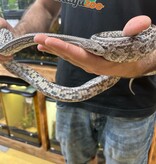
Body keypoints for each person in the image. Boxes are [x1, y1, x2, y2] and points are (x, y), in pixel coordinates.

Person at [0, 0, 156, 163]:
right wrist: (13, 38)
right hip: (68, 91)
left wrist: (138, 65)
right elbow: (45, 6)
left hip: (135, 103)